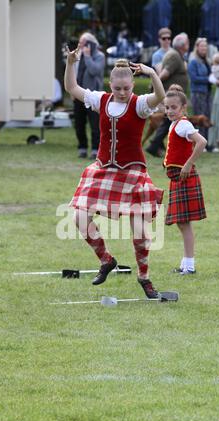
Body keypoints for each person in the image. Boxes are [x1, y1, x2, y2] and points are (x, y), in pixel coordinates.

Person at [64, 45, 166, 299]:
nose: (121, 93)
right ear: (110, 84)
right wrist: (70, 63)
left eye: (126, 88)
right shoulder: (102, 99)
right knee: (79, 217)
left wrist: (152, 73)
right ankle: (106, 260)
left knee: (140, 228)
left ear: (133, 85)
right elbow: (72, 88)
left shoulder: (140, 104)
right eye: (117, 88)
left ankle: (144, 277)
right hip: (103, 169)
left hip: (132, 172)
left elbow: (160, 97)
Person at [163, 89, 207, 275]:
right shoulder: (174, 124)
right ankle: (185, 264)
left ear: (183, 107)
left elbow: (202, 142)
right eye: (167, 107)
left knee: (184, 223)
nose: (170, 111)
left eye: (174, 107)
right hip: (178, 178)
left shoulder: (183, 125)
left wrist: (188, 164)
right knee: (182, 223)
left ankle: (189, 266)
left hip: (184, 177)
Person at [145, 32, 190, 158]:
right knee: (168, 123)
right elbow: (164, 74)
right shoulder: (174, 56)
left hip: (174, 96)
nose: (188, 44)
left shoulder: (177, 55)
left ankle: (155, 146)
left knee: (167, 123)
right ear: (182, 45)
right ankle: (155, 146)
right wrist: (154, 88)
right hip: (170, 97)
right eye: (187, 42)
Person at [72, 32, 105, 159]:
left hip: (93, 96)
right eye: (80, 42)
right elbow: (74, 73)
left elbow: (94, 71)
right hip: (78, 95)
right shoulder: (77, 56)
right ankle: (82, 147)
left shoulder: (99, 56)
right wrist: (72, 92)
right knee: (79, 124)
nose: (80, 45)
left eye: (83, 43)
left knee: (95, 124)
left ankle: (95, 149)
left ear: (91, 44)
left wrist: (87, 56)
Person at [188, 38, 212, 142]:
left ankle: (206, 142)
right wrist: (209, 79)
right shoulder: (193, 62)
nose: (204, 48)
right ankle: (199, 142)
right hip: (197, 93)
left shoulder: (207, 61)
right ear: (197, 47)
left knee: (207, 117)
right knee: (200, 119)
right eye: (201, 46)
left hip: (207, 92)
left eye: (205, 46)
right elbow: (194, 78)